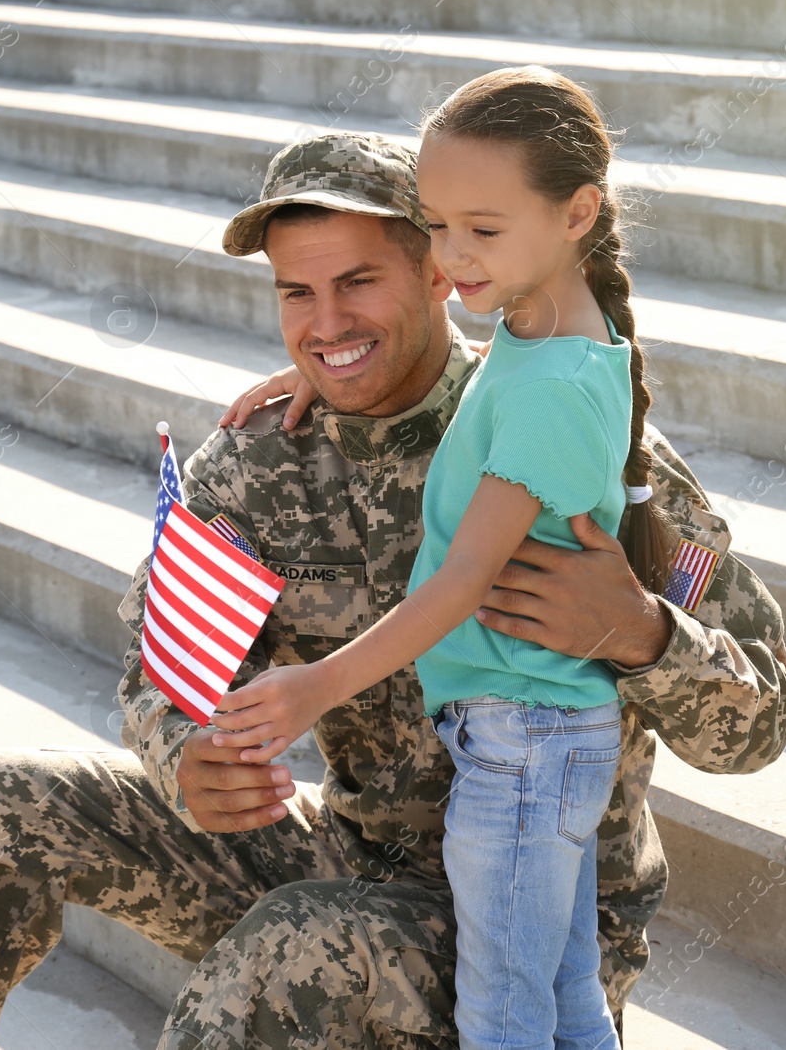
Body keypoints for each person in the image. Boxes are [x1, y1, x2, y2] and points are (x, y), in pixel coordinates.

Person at [0, 125, 786, 1050]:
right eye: (298, 292)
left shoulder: (561, 431)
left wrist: (641, 632)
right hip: (352, 864)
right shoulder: (259, 461)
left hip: (536, 923)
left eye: (359, 282)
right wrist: (185, 754)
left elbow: (762, 721)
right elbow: (160, 673)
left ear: (440, 271)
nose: (326, 324)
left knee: (298, 943)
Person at [210, 66, 669, 1050]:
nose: (453, 253)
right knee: (562, 992)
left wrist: (313, 686)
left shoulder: (547, 387)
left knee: (506, 1011)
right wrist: (332, 356)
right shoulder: (553, 340)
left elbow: (463, 580)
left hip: (521, 740)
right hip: (537, 732)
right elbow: (476, 363)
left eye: (481, 230)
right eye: (438, 224)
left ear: (577, 211)